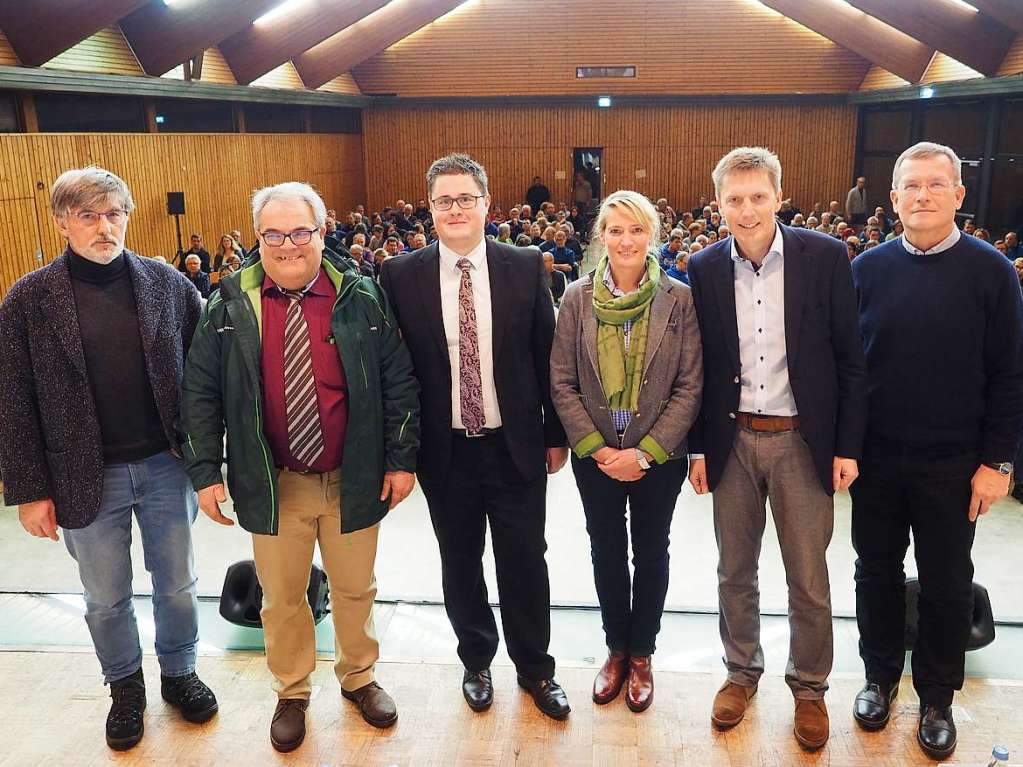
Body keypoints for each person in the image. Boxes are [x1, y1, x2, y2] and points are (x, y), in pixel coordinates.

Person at [181, 182, 420, 751]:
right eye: (273, 233)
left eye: (300, 232)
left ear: (322, 232)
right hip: (273, 482)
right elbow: (199, 392)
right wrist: (206, 471)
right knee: (281, 596)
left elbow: (398, 381)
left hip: (353, 475)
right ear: (257, 237)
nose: (287, 244)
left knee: (356, 587)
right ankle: (292, 690)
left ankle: (359, 677)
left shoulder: (361, 296)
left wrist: (401, 458)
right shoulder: (227, 305)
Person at [0, 166, 216, 751]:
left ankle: (180, 673)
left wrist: (210, 463)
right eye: (88, 215)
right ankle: (125, 687)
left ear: (128, 215)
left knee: (177, 583)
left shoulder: (168, 284)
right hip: (80, 474)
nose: (104, 226)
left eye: (114, 213)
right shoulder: (28, 300)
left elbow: (204, 377)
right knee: (105, 596)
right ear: (61, 221)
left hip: (166, 465)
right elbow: (13, 399)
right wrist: (27, 491)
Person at [687, 147, 867, 751]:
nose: (746, 209)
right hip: (732, 439)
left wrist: (847, 444)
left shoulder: (824, 257)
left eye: (757, 196)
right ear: (719, 205)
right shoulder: (705, 266)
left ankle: (810, 686)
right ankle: (741, 673)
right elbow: (701, 366)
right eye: (734, 199)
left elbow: (850, 359)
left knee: (809, 577)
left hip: (802, 441)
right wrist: (697, 450)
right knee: (734, 571)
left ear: (779, 197)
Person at [379, 154, 571, 720]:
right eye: (445, 200)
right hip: (446, 450)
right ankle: (476, 661)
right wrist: (402, 450)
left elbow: (547, 356)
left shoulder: (525, 265)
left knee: (524, 561)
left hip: (514, 445)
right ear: (430, 207)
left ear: (487, 205)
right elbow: (398, 373)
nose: (456, 208)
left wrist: (554, 435)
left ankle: (536, 669)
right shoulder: (400, 275)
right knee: (459, 560)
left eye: (466, 198)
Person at [849, 142, 1023, 760]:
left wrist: (999, 463)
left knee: (949, 582)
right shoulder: (866, 270)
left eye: (935, 185)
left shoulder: (991, 273)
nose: (922, 195)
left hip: (955, 464)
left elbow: (1009, 375)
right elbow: (849, 369)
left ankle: (937, 696)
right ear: (892, 199)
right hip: (876, 460)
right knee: (875, 573)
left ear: (958, 195)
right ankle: (878, 677)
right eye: (910, 187)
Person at [550, 190, 702, 713]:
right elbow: (562, 381)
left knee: (652, 551)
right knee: (606, 551)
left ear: (652, 235)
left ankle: (643, 654)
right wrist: (596, 449)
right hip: (596, 456)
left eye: (636, 229)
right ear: (601, 237)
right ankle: (616, 648)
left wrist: (645, 452)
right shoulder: (575, 298)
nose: (626, 240)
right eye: (615, 230)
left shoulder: (679, 300)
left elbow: (689, 386)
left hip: (659, 457)